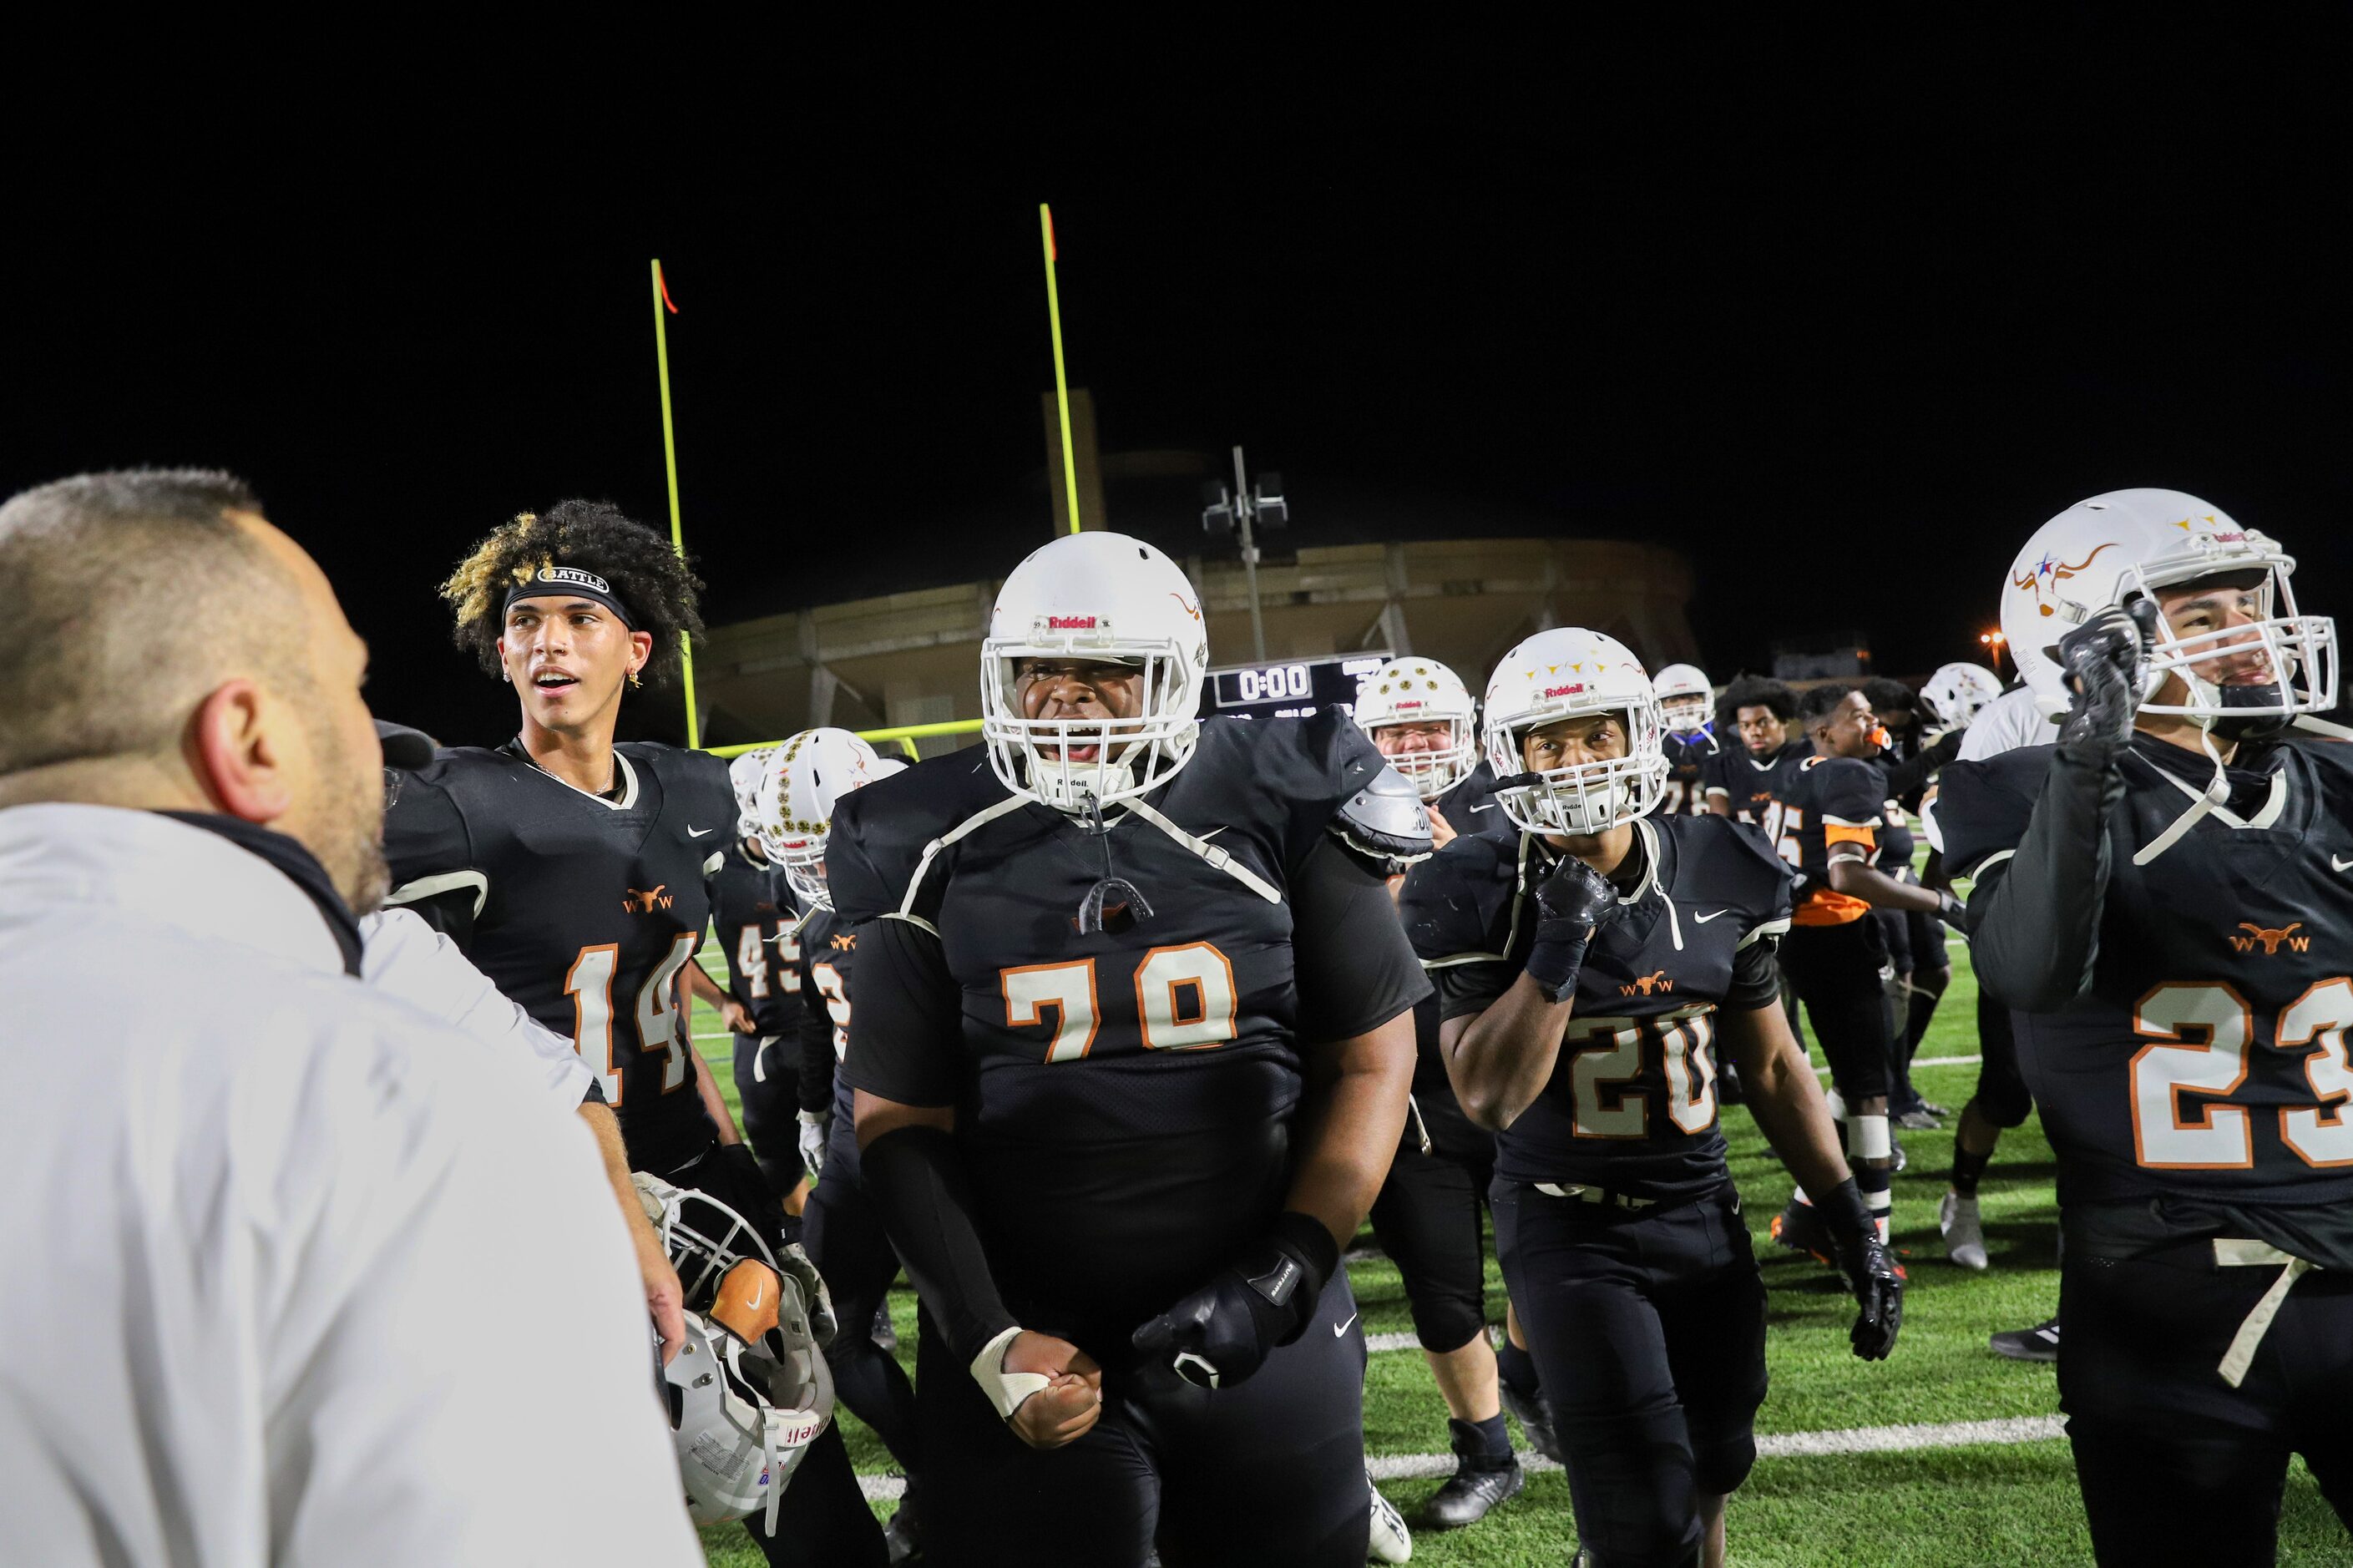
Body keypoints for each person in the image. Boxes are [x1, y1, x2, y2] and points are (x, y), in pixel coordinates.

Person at [0, 470, 699, 1564]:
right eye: (343, 692)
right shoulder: (413, 1111)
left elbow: (522, 1050)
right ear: (250, 738)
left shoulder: (391, 964)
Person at [835, 531, 1432, 1568]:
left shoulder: (1284, 788)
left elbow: (1371, 1060)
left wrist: (1286, 1270)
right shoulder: (912, 831)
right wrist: (981, 1332)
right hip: (1026, 1327)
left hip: (1260, 1316)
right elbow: (898, 1119)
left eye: (1108, 669)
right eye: (1036, 671)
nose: (1064, 697)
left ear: (1179, 671)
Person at [379, 500, 885, 1567]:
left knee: (794, 1464)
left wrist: (750, 1174)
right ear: (499, 650)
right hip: (548, 1195)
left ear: (636, 649)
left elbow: (670, 974)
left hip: (698, 1176)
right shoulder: (453, 804)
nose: (547, 642)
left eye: (577, 619)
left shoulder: (692, 792)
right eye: (525, 623)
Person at [1407, 627, 1901, 1568]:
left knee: (1714, 1461)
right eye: (1549, 744)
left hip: (1700, 1213)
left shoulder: (1720, 859)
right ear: (1508, 756)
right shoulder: (1472, 882)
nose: (1577, 762)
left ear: (1640, 735)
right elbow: (1489, 1098)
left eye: (1596, 736)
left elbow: (1770, 1066)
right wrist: (1556, 949)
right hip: (1568, 1229)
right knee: (1641, 1506)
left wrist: (1847, 1217)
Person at [1937, 488, 2351, 1563]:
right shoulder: (2020, 785)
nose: (2250, 634)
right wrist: (2085, 759)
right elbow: (2029, 967)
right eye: (2201, 617)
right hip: (2164, 1301)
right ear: (2080, 647)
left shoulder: (2335, 774)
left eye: (2249, 600)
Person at [1356, 655, 1526, 1529]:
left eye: (1429, 727)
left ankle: (1532, 1383)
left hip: (1522, 1082)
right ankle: (1487, 1450)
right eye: (1397, 730)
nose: (1415, 744)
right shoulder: (1337, 823)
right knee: (1441, 1289)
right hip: (1415, 1099)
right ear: (1369, 738)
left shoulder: (1519, 804)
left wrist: (1461, 863)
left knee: (1546, 1265)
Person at [752, 727, 926, 1563]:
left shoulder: (938, 881)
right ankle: (940, 1479)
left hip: (952, 1142)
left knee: (986, 1331)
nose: (815, 871)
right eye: (799, 854)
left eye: (822, 848)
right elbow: (816, 1024)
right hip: (867, 1143)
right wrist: (815, 1109)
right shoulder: (838, 908)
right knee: (827, 1330)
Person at [1763, 684, 1966, 1256]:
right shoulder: (1846, 776)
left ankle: (1807, 1210)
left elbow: (1883, 781)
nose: (1873, 720)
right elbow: (1850, 874)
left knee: (1859, 1074)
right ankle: (1870, 1241)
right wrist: (1941, 904)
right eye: (1859, 716)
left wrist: (1937, 753)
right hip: (1835, 938)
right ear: (1826, 732)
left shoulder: (1807, 767)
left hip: (1807, 938)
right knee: (1869, 1094)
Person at [714, 746, 813, 1211]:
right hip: (763, 1039)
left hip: (825, 1028)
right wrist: (719, 1001)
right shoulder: (718, 872)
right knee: (778, 1163)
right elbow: (670, 944)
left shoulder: (816, 857)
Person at [1702, 675, 1806, 826]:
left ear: (1783, 721)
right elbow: (1718, 824)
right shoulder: (1722, 764)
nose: (1755, 732)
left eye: (1763, 723)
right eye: (1745, 725)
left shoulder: (1806, 756)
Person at [1654, 662, 1722, 818]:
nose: (1683, 706)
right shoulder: (1648, 747)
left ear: (1707, 699)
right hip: (1665, 833)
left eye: (1692, 698)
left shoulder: (1731, 743)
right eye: (1673, 700)